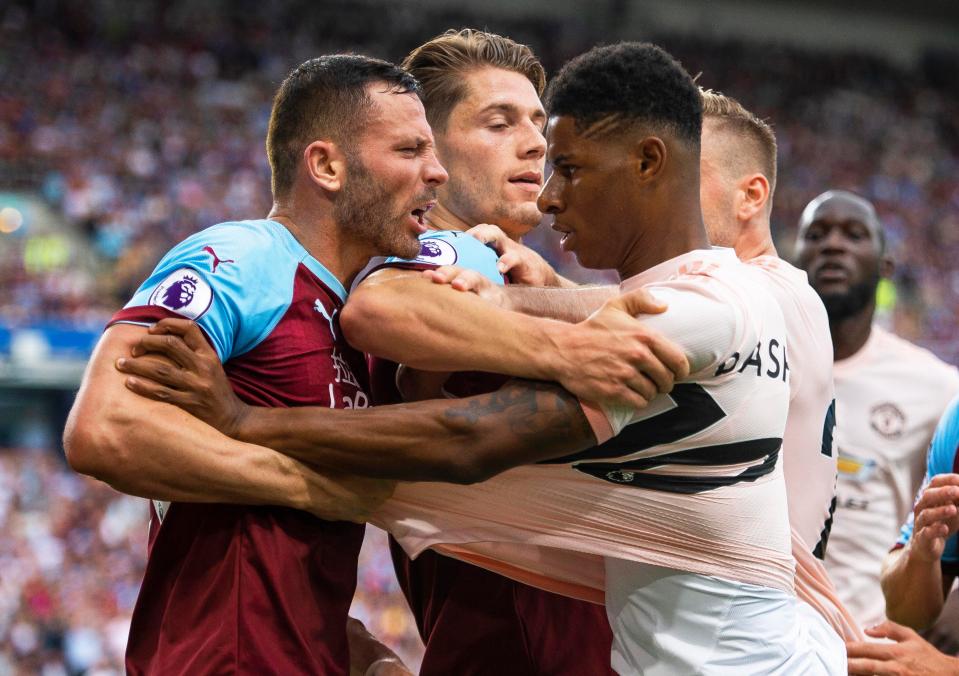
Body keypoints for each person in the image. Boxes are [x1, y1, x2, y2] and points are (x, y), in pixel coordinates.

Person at [64, 53, 661, 675]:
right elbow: (104, 429)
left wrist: (370, 659)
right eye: (409, 151)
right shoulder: (243, 256)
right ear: (325, 165)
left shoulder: (343, 315)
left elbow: (288, 563)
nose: (435, 173)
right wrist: (315, 488)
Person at [794, 189, 959, 630]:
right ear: (792, 259)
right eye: (817, 233)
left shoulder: (936, 386)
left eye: (854, 234)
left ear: (885, 266)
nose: (833, 244)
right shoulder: (758, 364)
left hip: (866, 646)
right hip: (759, 650)